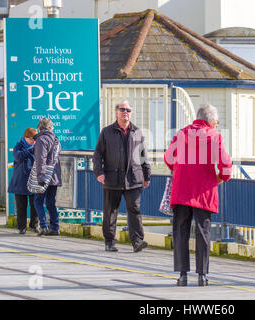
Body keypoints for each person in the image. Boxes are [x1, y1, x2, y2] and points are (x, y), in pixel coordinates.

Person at [164, 104, 232, 287]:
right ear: (210, 121)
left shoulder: (181, 133)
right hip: (204, 191)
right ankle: (202, 276)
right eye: (216, 122)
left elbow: (168, 158)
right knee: (203, 232)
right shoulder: (214, 136)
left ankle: (182, 275)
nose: (217, 125)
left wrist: (179, 170)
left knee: (180, 231)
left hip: (182, 189)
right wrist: (219, 178)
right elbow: (226, 164)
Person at [93, 100, 151, 253]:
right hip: (112, 178)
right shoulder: (106, 132)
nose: (125, 112)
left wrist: (147, 175)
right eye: (122, 109)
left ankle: (137, 241)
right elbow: (97, 155)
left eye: (128, 110)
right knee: (110, 211)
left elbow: (143, 156)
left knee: (134, 209)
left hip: (134, 178)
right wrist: (99, 172)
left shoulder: (137, 132)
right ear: (116, 112)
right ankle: (110, 241)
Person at [33, 117, 62, 236]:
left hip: (44, 175)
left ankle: (44, 226)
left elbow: (41, 159)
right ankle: (55, 227)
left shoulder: (41, 140)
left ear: (39, 128)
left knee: (38, 201)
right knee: (50, 202)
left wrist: (40, 176)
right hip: (54, 175)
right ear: (51, 127)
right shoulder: (56, 140)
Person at [8, 128, 39, 234]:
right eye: (32, 139)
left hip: (34, 179)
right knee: (21, 205)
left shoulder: (38, 147)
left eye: (36, 139)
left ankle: (34, 225)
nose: (34, 141)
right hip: (20, 179)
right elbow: (18, 157)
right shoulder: (18, 146)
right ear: (26, 138)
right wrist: (30, 150)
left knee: (35, 204)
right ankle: (22, 227)